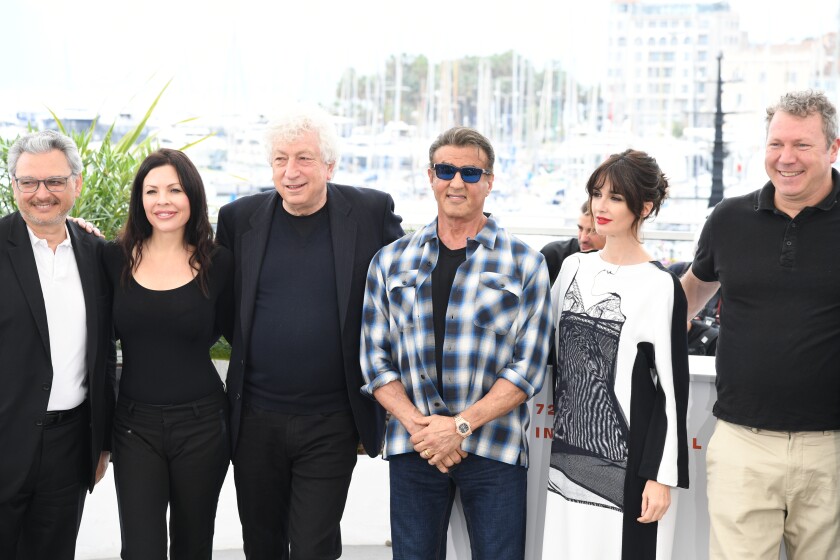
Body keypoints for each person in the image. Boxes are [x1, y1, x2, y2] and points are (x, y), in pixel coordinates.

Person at [215, 105, 403, 559]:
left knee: (315, 547)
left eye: (304, 158)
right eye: (280, 159)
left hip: (332, 420)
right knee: (261, 544)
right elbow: (218, 303)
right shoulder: (239, 219)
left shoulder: (370, 211)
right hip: (255, 418)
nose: (291, 171)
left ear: (329, 166)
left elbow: (410, 279)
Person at [361, 126, 552, 559]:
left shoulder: (526, 263)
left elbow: (529, 368)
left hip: (493, 446)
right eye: (446, 170)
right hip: (416, 446)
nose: (456, 182)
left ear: (489, 181)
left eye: (470, 172)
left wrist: (459, 427)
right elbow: (373, 360)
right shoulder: (390, 260)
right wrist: (421, 428)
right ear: (431, 176)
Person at [681, 90, 840, 560]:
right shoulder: (728, 218)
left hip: (832, 448)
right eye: (776, 144)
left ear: (833, 148)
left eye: (802, 145)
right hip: (741, 446)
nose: (785, 158)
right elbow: (690, 294)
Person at [544, 149, 689, 559]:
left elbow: (672, 392)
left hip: (629, 465)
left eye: (616, 197)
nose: (601, 206)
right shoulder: (572, 267)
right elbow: (545, 346)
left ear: (644, 206)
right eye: (596, 193)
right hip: (565, 452)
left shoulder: (661, 285)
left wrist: (661, 477)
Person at [101, 148, 233, 559]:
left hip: (203, 426)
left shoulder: (219, 263)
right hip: (133, 427)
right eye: (151, 190)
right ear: (139, 199)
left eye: (174, 189)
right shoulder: (113, 258)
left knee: (194, 547)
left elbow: (241, 336)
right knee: (141, 549)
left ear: (192, 196)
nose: (163, 201)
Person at [0, 130, 114, 559]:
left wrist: (101, 443)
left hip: (70, 446)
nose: (40, 193)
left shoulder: (97, 255)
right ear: (13, 185)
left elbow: (104, 354)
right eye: (28, 182)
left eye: (54, 181)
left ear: (76, 184)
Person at [541, 200, 606, 284]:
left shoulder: (621, 265)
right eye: (580, 228)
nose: (583, 239)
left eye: (592, 231)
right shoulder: (554, 254)